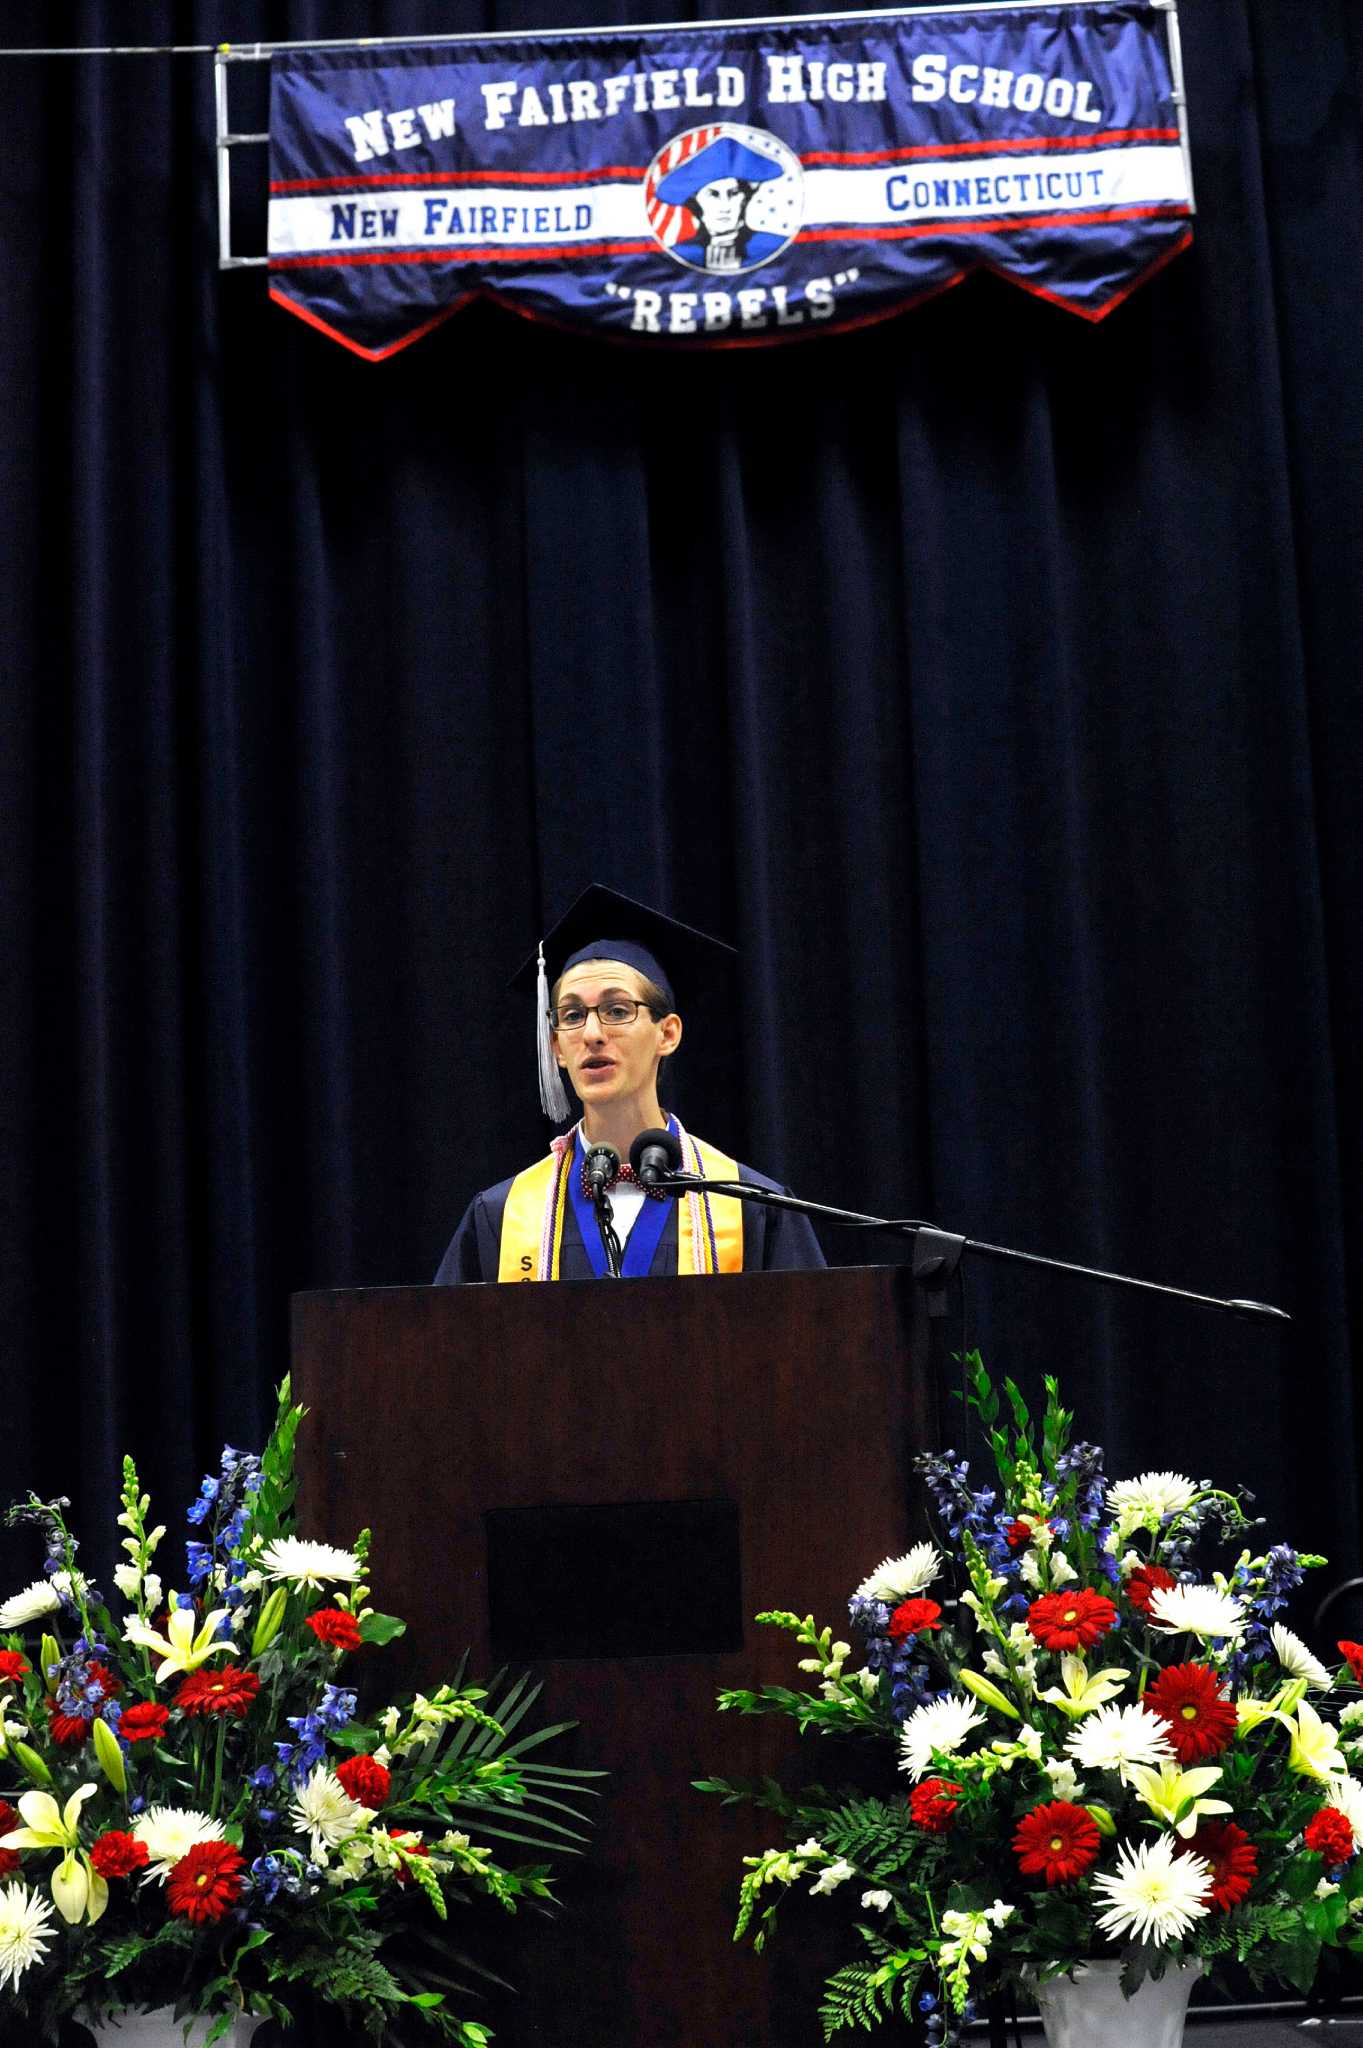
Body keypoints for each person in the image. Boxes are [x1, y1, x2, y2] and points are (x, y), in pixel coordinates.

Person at [434, 886, 826, 1283]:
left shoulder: (750, 1208)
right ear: (557, 1049)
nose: (591, 1033)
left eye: (617, 1010)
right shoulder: (502, 1216)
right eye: (571, 1015)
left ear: (667, 1034)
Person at [656, 134, 788, 273]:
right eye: (713, 194)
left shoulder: (775, 246)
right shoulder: (677, 254)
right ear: (695, 202)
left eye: (733, 193)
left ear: (744, 199)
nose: (725, 205)